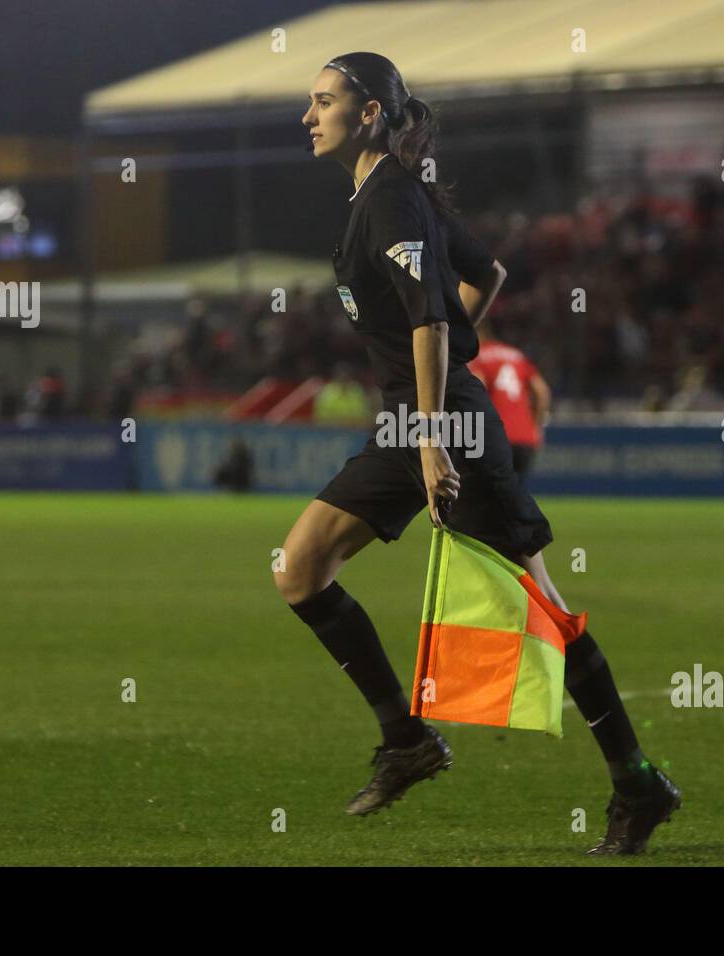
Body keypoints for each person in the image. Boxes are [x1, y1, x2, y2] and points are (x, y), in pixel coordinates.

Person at [280, 52, 680, 856]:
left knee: (542, 612)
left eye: (323, 101)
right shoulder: (387, 194)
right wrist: (432, 386)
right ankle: (408, 742)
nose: (307, 115)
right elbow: (485, 274)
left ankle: (639, 786)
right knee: (299, 569)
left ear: (368, 115)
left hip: (442, 426)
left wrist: (433, 429)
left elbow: (431, 319)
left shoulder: (391, 197)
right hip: (409, 421)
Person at [467, 326, 550, 482]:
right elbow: (542, 391)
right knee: (513, 495)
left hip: (495, 438)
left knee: (486, 497)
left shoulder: (477, 357)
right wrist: (536, 426)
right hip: (525, 439)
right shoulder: (516, 355)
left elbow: (476, 392)